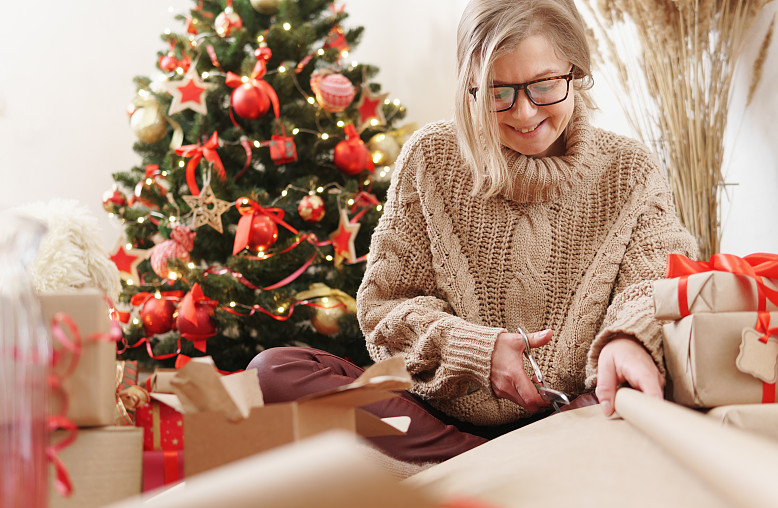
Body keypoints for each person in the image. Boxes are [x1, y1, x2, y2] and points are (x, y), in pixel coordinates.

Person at [247, 0, 698, 473]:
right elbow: (386, 308)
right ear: (471, 85)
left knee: (632, 394)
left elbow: (657, 286)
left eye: (544, 85)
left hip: (566, 412)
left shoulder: (629, 170)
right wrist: (477, 352)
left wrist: (626, 339)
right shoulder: (431, 157)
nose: (523, 112)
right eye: (498, 92)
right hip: (433, 417)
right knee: (272, 372)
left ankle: (492, 466)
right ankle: (489, 464)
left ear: (575, 71)